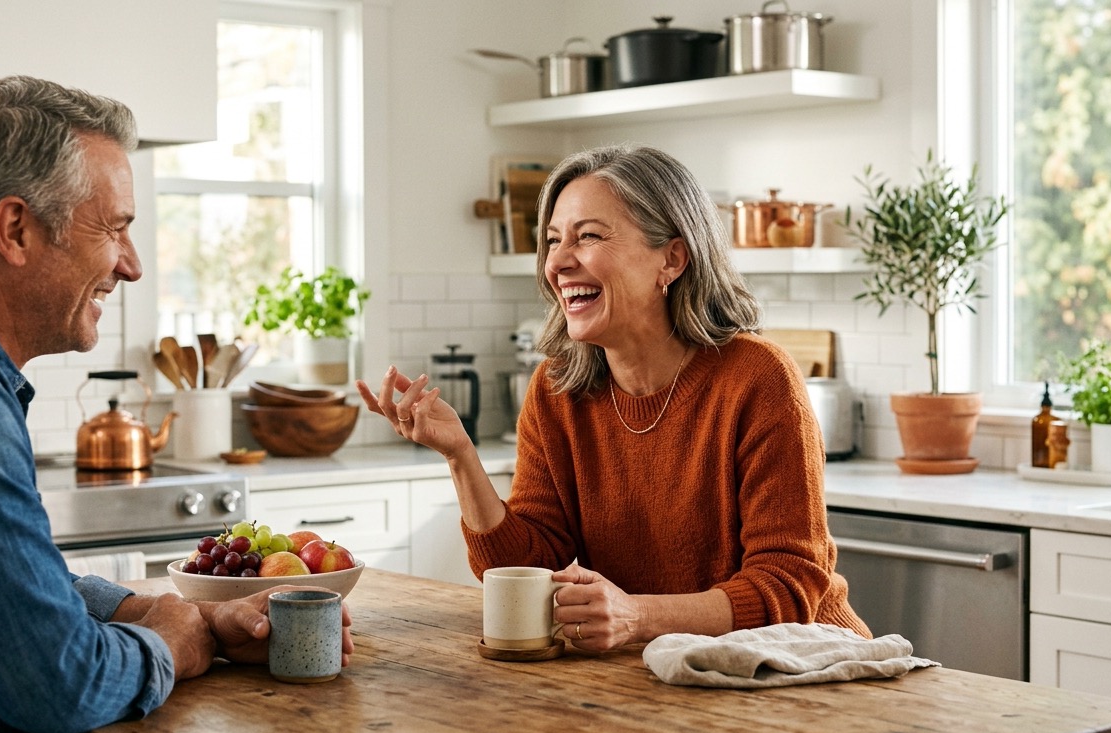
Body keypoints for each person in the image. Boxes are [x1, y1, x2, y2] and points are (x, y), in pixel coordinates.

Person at [0, 76, 350, 733]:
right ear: (15, 229)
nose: (130, 266)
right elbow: (57, 686)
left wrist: (192, 622)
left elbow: (1, 589)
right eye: (116, 228)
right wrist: (172, 646)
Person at [359, 144, 869, 651]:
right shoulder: (558, 390)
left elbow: (789, 585)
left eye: (588, 237)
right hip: (666, 673)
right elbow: (528, 571)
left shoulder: (758, 378)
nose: (557, 262)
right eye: (553, 240)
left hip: (807, 670)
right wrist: (460, 455)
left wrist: (638, 616)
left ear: (671, 258)